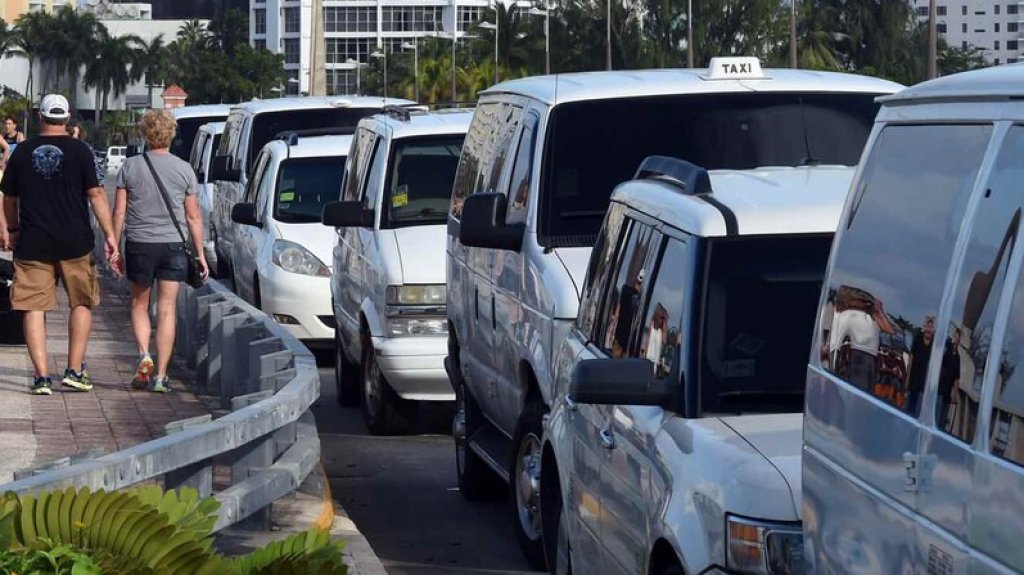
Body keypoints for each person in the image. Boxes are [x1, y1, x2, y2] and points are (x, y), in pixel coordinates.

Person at [0, 94, 118, 395]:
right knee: (81, 302)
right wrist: (110, 235)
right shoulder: (81, 151)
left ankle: (41, 377)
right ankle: (75, 370)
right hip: (75, 241)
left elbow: (9, 199)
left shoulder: (22, 152)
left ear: (40, 118)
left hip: (32, 240)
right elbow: (96, 195)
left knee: (32, 307)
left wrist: (11, 231)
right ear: (67, 120)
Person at [112, 109, 208, 393]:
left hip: (140, 244)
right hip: (174, 246)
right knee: (166, 310)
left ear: (144, 134)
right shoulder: (183, 169)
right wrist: (200, 253)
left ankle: (144, 356)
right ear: (171, 135)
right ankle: (162, 376)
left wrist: (114, 245)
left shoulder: (129, 167)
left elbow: (119, 212)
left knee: (139, 305)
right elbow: (193, 217)